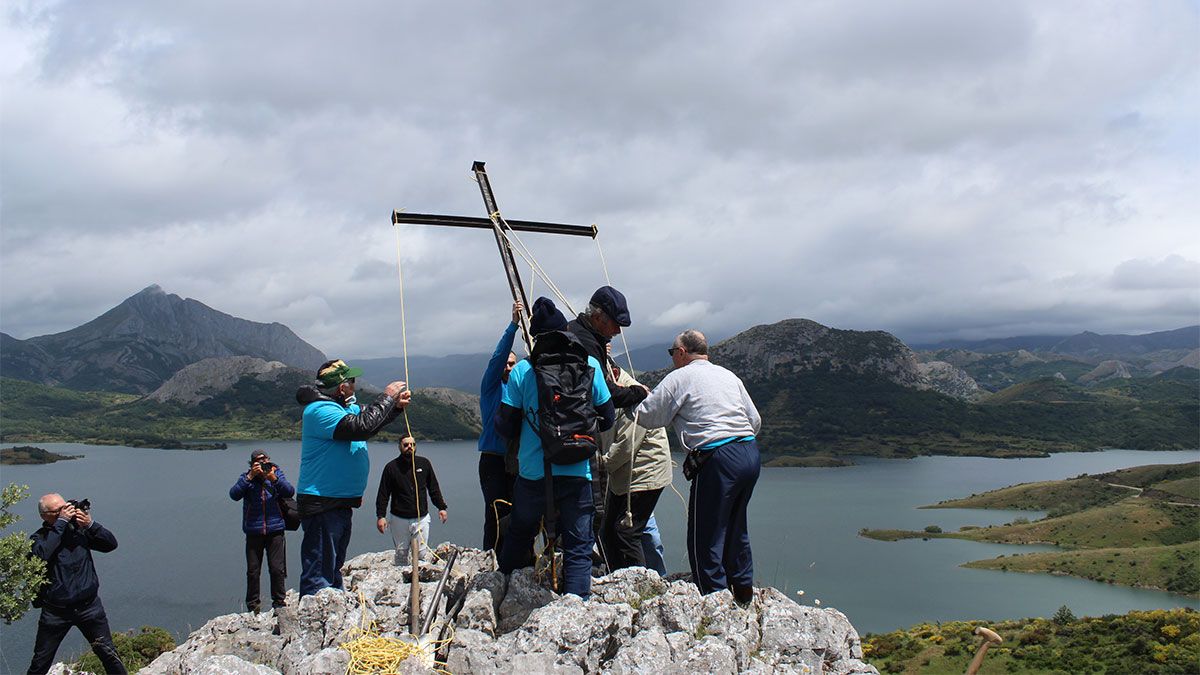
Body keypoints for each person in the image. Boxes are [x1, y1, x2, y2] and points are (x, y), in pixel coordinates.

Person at [495, 297, 615, 599]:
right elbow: (608, 416)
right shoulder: (589, 365)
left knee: (520, 532)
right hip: (577, 469)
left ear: (536, 337)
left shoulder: (523, 370)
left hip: (533, 473)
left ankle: (503, 591)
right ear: (566, 331)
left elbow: (505, 424)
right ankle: (577, 607)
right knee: (578, 545)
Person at [635, 329, 761, 604]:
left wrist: (634, 399)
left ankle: (714, 599)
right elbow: (755, 420)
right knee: (736, 524)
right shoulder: (728, 376)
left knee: (706, 531)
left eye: (672, 353)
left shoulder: (679, 377)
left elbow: (647, 416)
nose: (671, 359)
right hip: (749, 451)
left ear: (681, 353)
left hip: (718, 457)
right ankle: (743, 590)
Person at [295, 358, 411, 596]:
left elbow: (370, 420)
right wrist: (387, 396)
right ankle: (315, 620)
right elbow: (361, 428)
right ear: (341, 387)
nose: (355, 385)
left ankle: (331, 611)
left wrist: (395, 408)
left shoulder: (341, 408)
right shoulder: (319, 411)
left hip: (337, 502)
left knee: (333, 564)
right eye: (352, 381)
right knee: (319, 571)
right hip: (322, 503)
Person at [566, 286, 649, 561]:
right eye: (616, 324)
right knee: (590, 510)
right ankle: (584, 575)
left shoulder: (576, 334)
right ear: (599, 317)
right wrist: (638, 392)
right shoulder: (587, 344)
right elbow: (607, 396)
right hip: (583, 439)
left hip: (563, 438)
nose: (618, 331)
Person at [27, 494, 126, 675]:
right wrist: (62, 523)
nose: (65, 512)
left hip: (89, 607)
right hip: (56, 613)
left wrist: (90, 525)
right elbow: (40, 556)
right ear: (45, 516)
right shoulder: (39, 539)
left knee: (109, 654)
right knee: (40, 662)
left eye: (66, 507)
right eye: (58, 511)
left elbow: (110, 544)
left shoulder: (79, 531)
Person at [600, 361, 671, 571]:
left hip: (644, 474)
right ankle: (619, 576)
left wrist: (600, 463)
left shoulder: (632, 395)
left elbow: (627, 444)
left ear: (611, 374)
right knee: (608, 532)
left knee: (626, 533)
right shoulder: (619, 392)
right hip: (629, 475)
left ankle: (637, 583)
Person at [478, 301, 522, 552]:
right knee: (496, 511)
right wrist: (513, 327)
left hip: (516, 459)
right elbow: (496, 360)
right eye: (506, 363)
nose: (508, 366)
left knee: (518, 511)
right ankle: (490, 557)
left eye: (512, 363)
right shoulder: (492, 388)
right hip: (493, 460)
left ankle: (514, 558)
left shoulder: (521, 389)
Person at [229, 449, 294, 612]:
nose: (263, 463)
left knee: (277, 569)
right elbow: (234, 494)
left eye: (265, 460)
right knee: (253, 571)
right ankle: (253, 606)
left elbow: (289, 491)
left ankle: (279, 602)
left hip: (275, 529)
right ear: (252, 464)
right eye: (259, 461)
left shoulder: (276, 473)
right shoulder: (246, 478)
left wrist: (273, 478)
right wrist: (250, 477)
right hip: (254, 531)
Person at [376, 436, 449, 565]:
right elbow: (383, 493)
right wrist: (381, 516)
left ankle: (418, 581)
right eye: (406, 445)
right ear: (399, 446)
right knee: (401, 554)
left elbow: (433, 488)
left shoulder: (424, 464)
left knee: (421, 554)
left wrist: (441, 507)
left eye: (412, 444)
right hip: (399, 519)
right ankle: (402, 581)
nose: (409, 447)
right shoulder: (391, 467)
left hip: (421, 518)